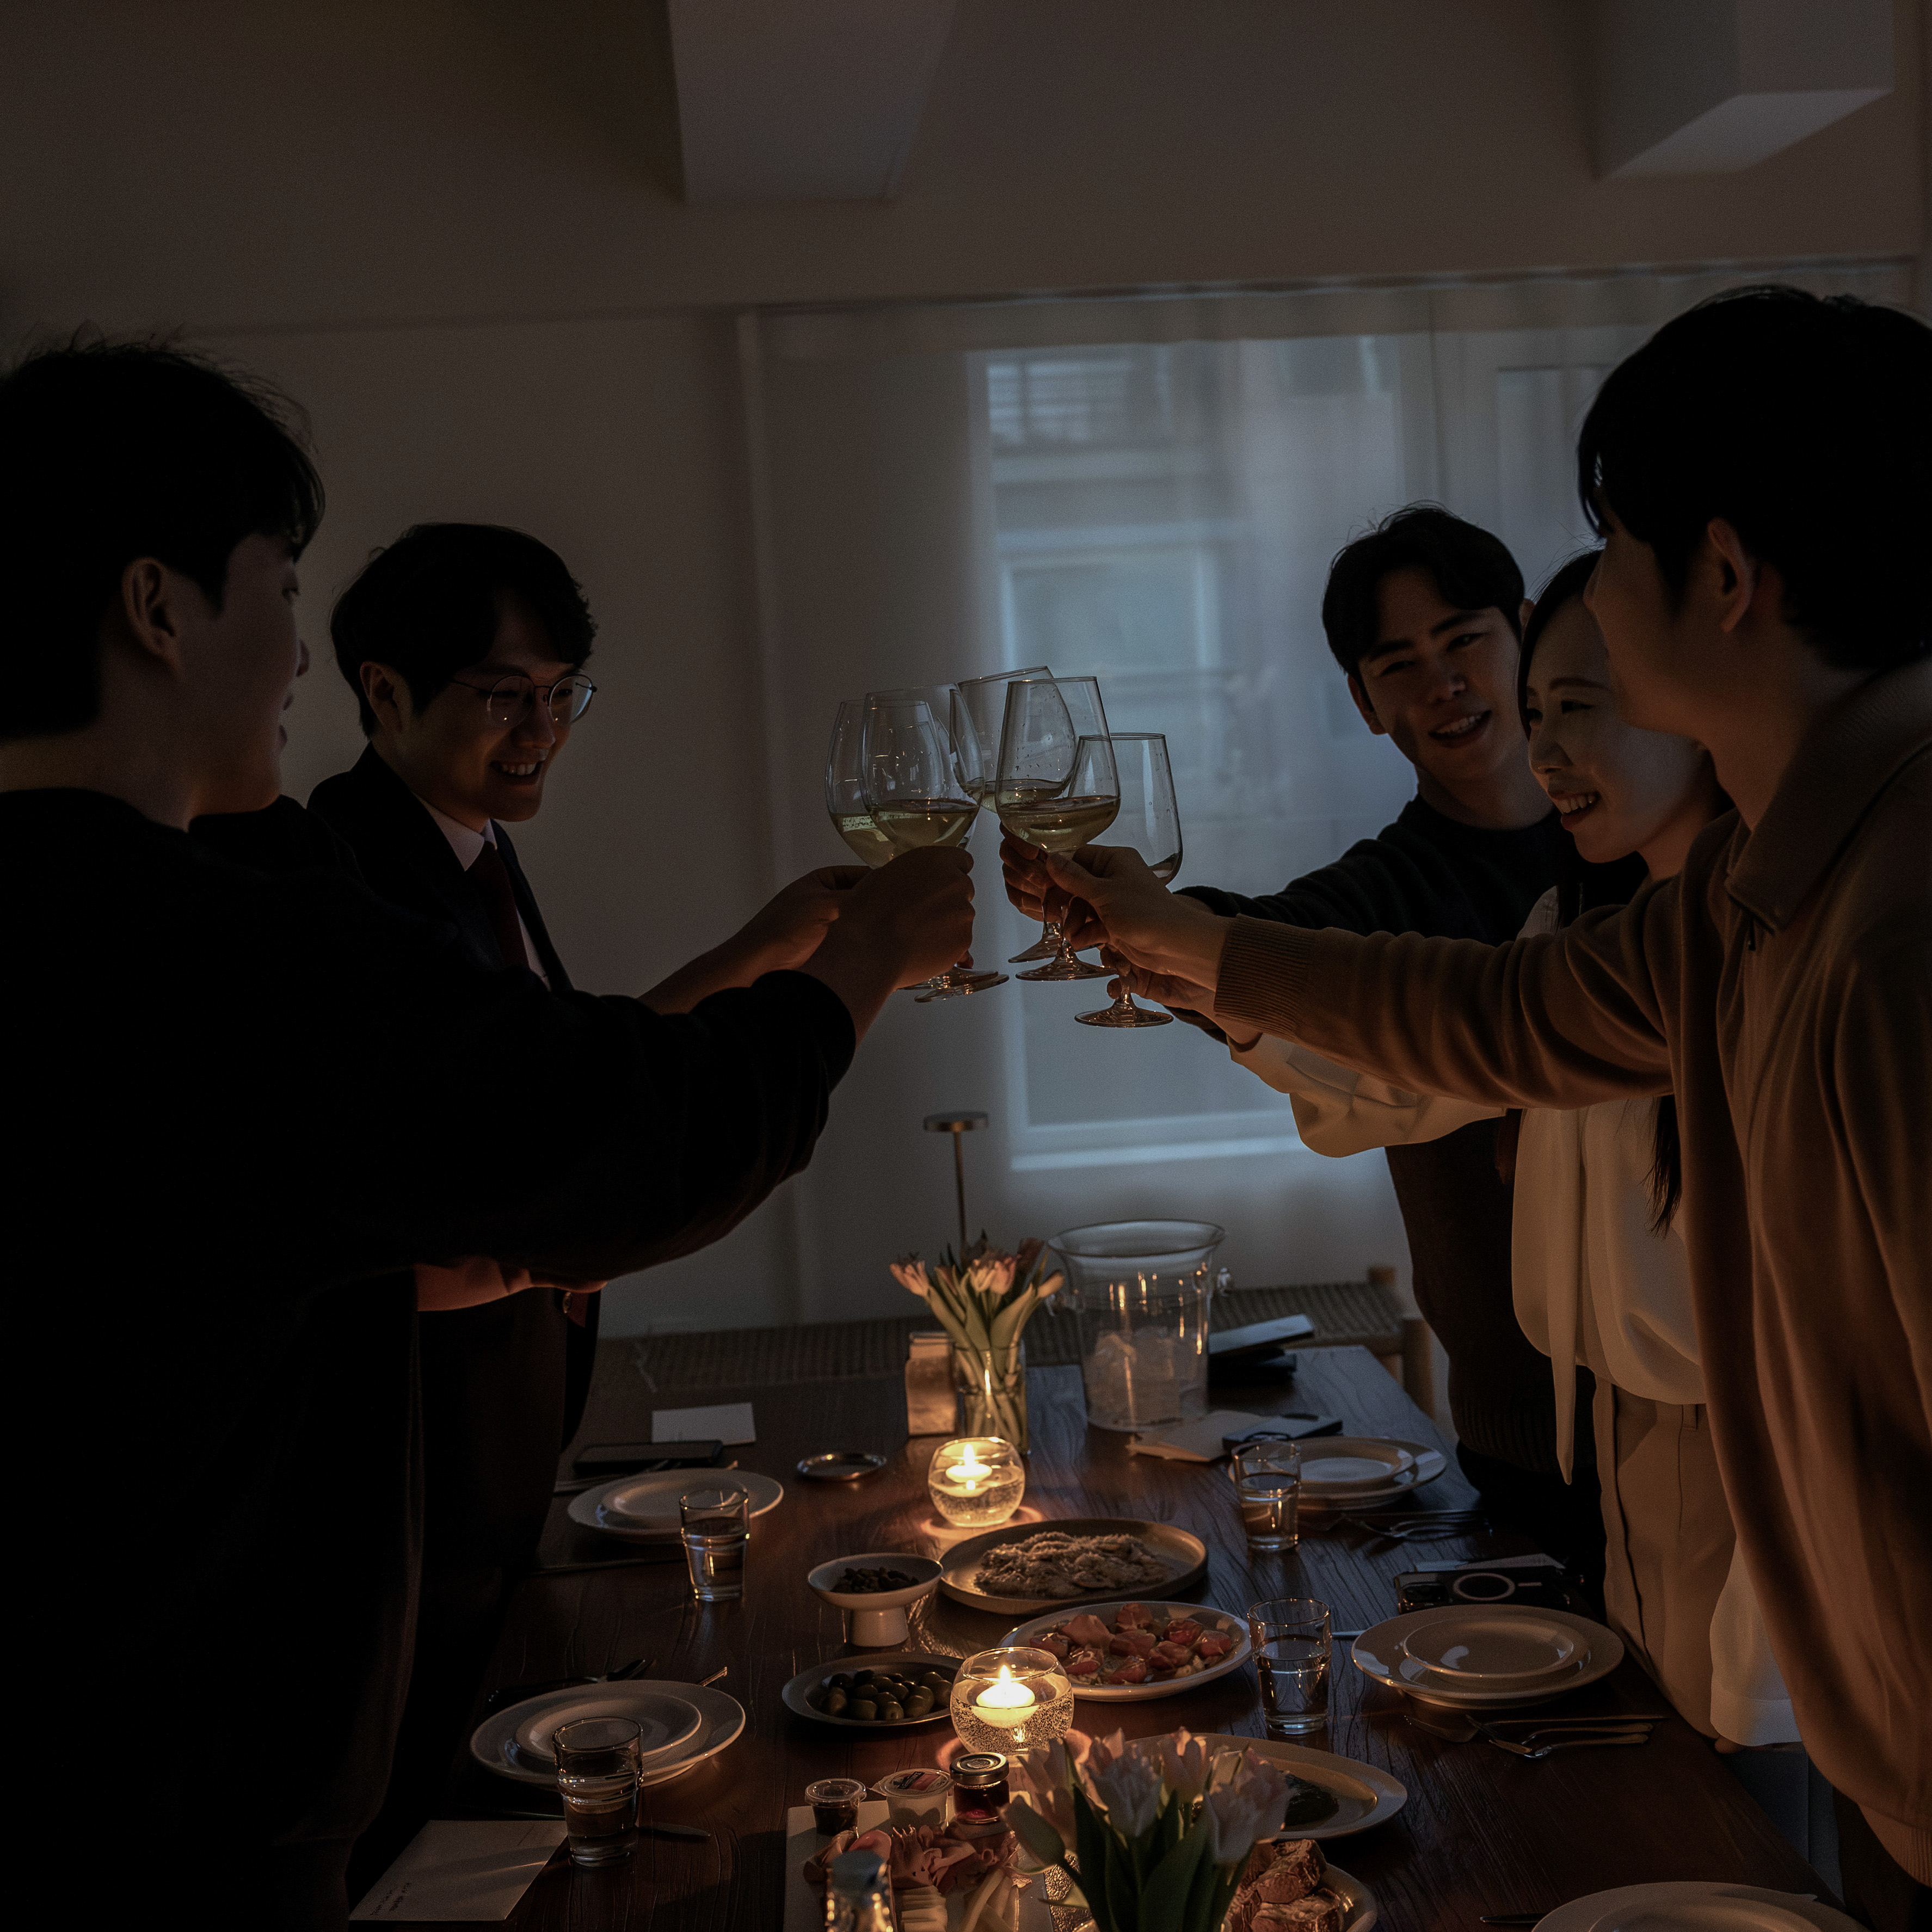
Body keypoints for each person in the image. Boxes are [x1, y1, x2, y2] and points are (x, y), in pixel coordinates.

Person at [0, 339, 975, 1930]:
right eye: (281, 587)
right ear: (158, 606)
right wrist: (860, 965)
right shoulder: (228, 942)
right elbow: (618, 1140)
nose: (299, 656)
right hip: (170, 1798)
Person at [1017, 289, 1931, 1926]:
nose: (1563, 637)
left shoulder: (1893, 920)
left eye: (1612, 546)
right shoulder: (1750, 888)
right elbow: (1489, 1016)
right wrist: (1178, 937)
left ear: (1723, 576)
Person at [1219, 552, 1795, 1744]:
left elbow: (1455, 1030)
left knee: (1751, 1796)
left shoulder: (1759, 945)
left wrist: (1200, 956)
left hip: (1744, 1466)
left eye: (1577, 704)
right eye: (1539, 715)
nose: (1544, 751)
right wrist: (1187, 960)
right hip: (1593, 1452)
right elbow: (1410, 1066)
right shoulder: (1572, 923)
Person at [1006, 506, 1609, 1588]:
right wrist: (1140, 919)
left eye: (1464, 639)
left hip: (1685, 1406)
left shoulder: (1630, 854)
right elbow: (1266, 946)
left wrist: (1171, 931)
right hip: (1517, 1422)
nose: (1443, 683)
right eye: (1398, 664)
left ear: (1527, 632)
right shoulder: (1386, 888)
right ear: (1364, 704)